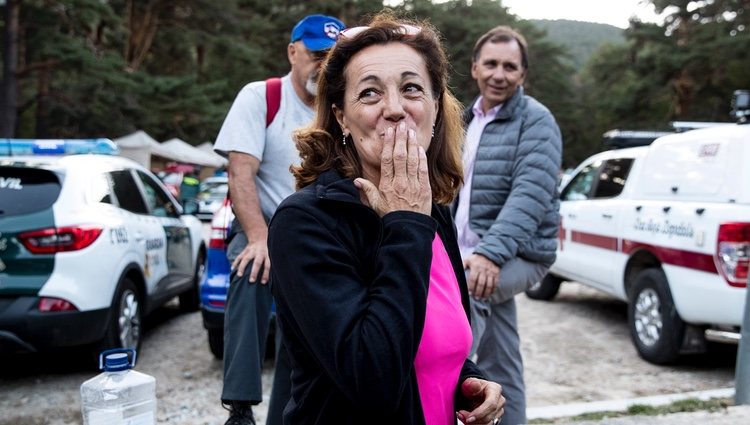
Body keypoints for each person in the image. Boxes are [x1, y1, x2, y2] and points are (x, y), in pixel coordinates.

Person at [267, 13, 506, 425]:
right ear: (342, 116)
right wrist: (405, 224)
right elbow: (372, 378)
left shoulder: (433, 211)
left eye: (412, 88)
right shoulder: (305, 222)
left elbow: (429, 344)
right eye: (370, 93)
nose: (395, 109)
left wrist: (470, 380)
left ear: (434, 106)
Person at [212, 14, 345, 425]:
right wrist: (258, 236)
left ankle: (288, 414)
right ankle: (239, 405)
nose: (323, 65)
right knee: (250, 270)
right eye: (315, 55)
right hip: (265, 223)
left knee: (307, 316)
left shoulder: (342, 108)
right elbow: (240, 171)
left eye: (332, 57)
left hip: (318, 234)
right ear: (292, 52)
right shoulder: (261, 97)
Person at [455, 26, 562, 425]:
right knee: (502, 358)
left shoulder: (537, 121)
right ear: (475, 68)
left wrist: (489, 254)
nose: (499, 74)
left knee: (461, 312)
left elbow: (529, 196)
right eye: (491, 64)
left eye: (510, 67)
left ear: (523, 75)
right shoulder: (465, 119)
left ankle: (437, 402)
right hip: (471, 253)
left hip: (518, 253)